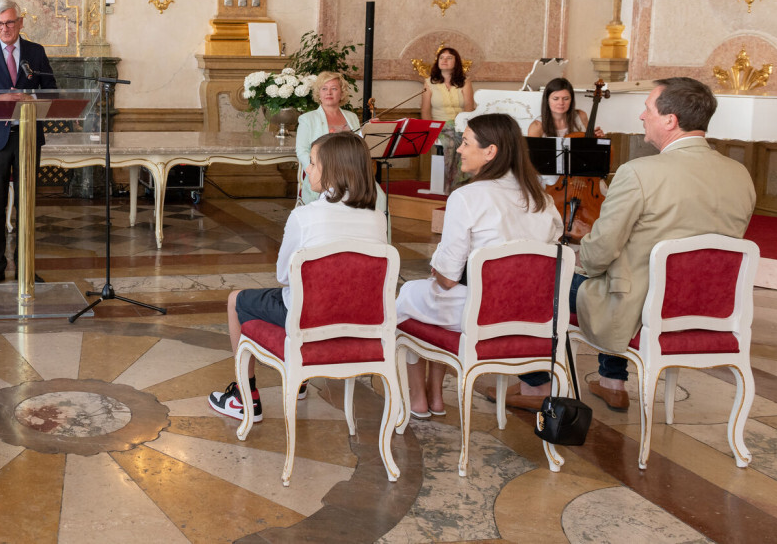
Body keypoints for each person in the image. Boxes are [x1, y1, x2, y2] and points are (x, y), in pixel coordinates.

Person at [569, 77, 755, 411]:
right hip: (710, 307)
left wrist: (579, 259)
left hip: (642, 307)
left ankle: (534, 387)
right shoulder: (740, 174)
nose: (642, 116)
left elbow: (597, 254)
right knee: (619, 266)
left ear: (670, 120)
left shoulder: (638, 172)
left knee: (556, 278)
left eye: (647, 109)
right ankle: (611, 382)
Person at [207, 133, 388, 421]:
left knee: (236, 300)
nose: (308, 170)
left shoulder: (304, 217)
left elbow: (283, 276)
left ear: (332, 170)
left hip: (308, 318)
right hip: (359, 319)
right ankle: (301, 380)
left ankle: (244, 398)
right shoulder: (377, 217)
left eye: (313, 163)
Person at [395, 114, 561, 417]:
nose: (459, 149)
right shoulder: (543, 200)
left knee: (409, 295)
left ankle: (420, 397)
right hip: (533, 315)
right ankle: (432, 395)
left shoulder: (467, 197)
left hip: (481, 314)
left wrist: (441, 267)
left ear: (490, 152)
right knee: (430, 297)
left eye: (466, 143)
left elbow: (446, 278)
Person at [0, 0, 57, 284]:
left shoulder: (35, 52)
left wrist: (31, 97)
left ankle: (25, 264)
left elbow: (52, 92)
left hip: (29, 136)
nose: (4, 28)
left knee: (27, 203)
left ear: (20, 22)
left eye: (9, 22)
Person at [295, 71, 359, 204]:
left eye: (334, 88)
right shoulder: (307, 119)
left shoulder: (352, 117)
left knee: (378, 196)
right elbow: (302, 151)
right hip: (322, 176)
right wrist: (316, 172)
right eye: (324, 89)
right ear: (319, 93)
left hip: (351, 175)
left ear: (342, 92)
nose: (328, 93)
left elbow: (358, 146)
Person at [420, 46, 475, 191]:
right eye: (441, 58)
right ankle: (451, 185)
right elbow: (425, 111)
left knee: (470, 142)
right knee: (450, 142)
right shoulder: (429, 82)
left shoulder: (465, 82)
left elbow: (469, 108)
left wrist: (465, 129)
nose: (444, 60)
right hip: (439, 126)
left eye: (449, 58)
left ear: (456, 62)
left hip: (461, 125)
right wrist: (429, 131)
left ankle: (464, 184)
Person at [528, 77, 605, 138]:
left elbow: (591, 146)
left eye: (566, 99)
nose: (561, 103)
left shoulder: (581, 116)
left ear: (571, 100)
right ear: (547, 100)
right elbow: (531, 156)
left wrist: (599, 138)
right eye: (555, 99)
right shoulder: (537, 126)